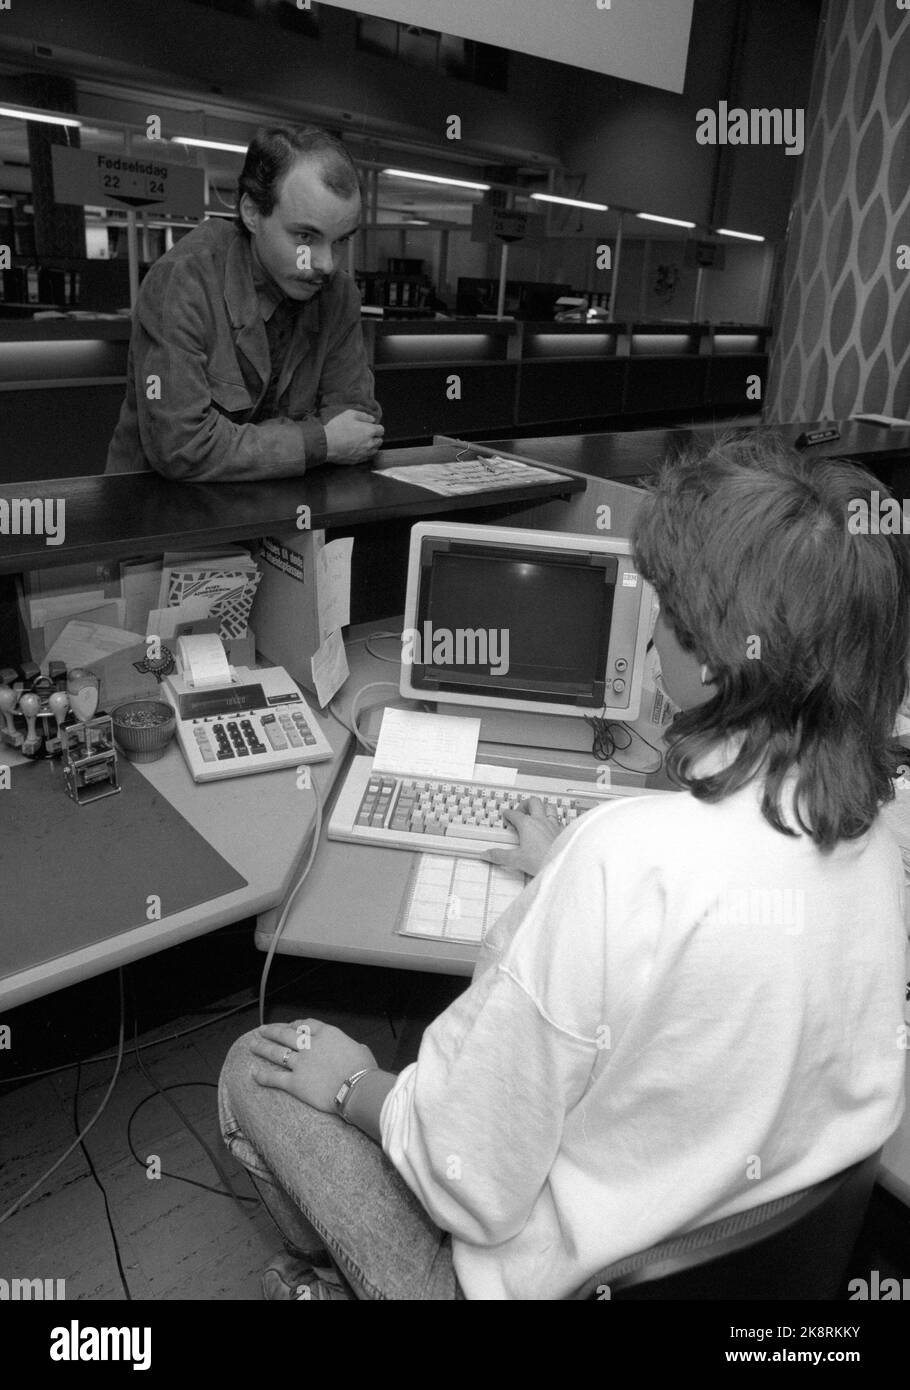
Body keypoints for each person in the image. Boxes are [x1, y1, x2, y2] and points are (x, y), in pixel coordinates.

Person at [218, 435, 910, 1299]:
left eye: (668, 616)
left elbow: (469, 1184)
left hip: (527, 1278)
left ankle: (338, 1277)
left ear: (713, 659)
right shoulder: (876, 840)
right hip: (734, 1264)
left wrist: (355, 1083)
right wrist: (566, 871)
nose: (652, 639)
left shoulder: (622, 861)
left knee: (261, 1063)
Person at [106, 125, 383, 480]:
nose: (326, 264)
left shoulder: (338, 294)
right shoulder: (183, 280)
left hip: (276, 511)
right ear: (252, 212)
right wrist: (321, 440)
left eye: (340, 240)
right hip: (160, 516)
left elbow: (358, 424)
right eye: (305, 236)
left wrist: (240, 446)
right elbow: (181, 446)